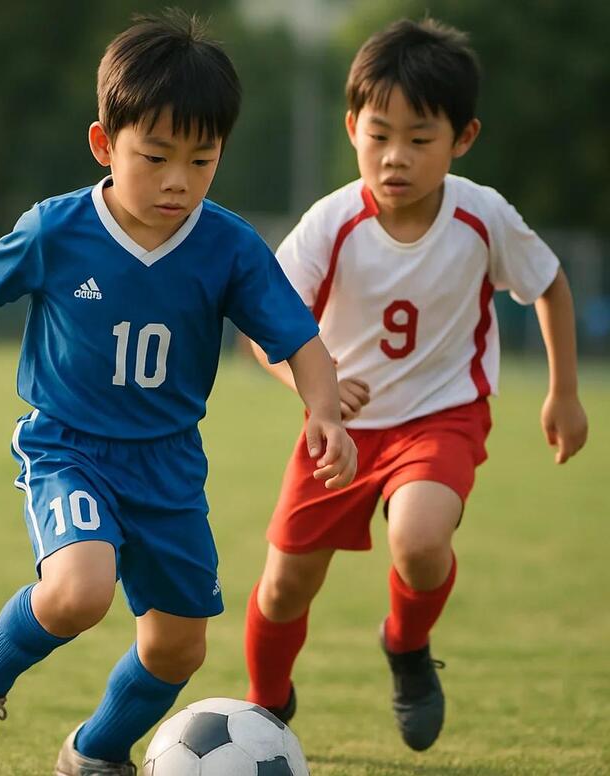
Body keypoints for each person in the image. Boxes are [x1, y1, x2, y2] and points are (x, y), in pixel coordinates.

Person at [0, 11, 356, 776]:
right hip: (70, 447)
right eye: (155, 156)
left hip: (168, 464)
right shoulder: (57, 230)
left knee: (179, 646)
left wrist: (324, 410)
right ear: (104, 144)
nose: (178, 179)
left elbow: (299, 339)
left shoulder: (228, 247)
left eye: (202, 159)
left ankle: (94, 751)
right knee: (78, 591)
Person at [243, 18, 588, 753]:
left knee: (421, 540)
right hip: (338, 431)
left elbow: (550, 284)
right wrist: (314, 390)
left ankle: (406, 644)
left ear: (463, 138)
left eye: (420, 138)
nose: (395, 155)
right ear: (352, 129)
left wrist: (563, 391)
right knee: (283, 587)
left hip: (442, 417)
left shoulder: (482, 216)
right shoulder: (331, 222)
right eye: (378, 135)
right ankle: (265, 708)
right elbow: (262, 330)